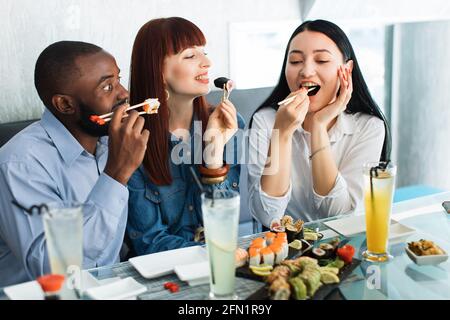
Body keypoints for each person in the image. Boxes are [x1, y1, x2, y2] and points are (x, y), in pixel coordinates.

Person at [0, 41, 149, 286]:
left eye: (119, 79)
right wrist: (116, 174)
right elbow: (57, 271)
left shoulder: (111, 143)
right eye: (108, 86)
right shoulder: (20, 164)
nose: (123, 93)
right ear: (65, 104)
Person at [248, 20, 391, 228]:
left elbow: (342, 216)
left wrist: (318, 127)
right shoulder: (266, 121)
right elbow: (268, 215)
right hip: (286, 250)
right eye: (295, 61)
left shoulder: (369, 127)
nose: (306, 71)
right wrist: (282, 133)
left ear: (347, 70)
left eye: (322, 60)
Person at [126, 17, 245, 255]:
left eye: (204, 53)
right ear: (157, 70)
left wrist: (213, 155)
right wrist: (211, 254)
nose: (207, 62)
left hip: (220, 260)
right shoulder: (131, 140)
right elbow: (149, 242)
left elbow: (223, 228)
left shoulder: (228, 124)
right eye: (190, 56)